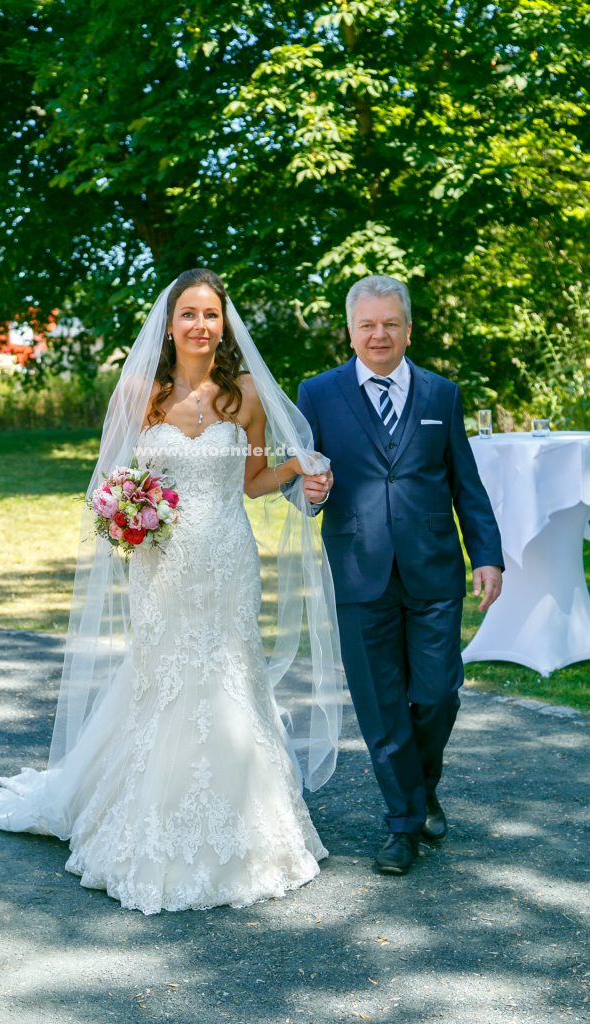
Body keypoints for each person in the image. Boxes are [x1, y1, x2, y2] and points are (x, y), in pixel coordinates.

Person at [0, 269, 344, 914]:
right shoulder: (142, 391)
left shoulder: (242, 393)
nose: (200, 325)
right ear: (169, 323)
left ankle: (251, 828)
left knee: (231, 678)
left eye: (212, 315)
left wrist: (300, 472)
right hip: (160, 567)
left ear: (225, 324)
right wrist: (125, 513)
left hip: (227, 561)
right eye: (188, 313)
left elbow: (252, 481)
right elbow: (108, 485)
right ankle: (143, 825)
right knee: (166, 680)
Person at [296, 274, 503, 876]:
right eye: (367, 325)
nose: (379, 334)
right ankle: (403, 823)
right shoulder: (318, 393)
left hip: (434, 570)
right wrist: (306, 491)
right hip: (359, 571)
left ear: (408, 328)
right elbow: (300, 482)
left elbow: (466, 482)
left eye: (390, 324)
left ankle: (419, 784)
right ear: (351, 331)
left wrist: (486, 554)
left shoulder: (442, 395)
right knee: (381, 705)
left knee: (437, 694)